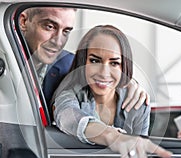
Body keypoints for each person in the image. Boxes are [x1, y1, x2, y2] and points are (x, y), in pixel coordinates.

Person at [53, 25, 172, 158]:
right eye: (95, 61)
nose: (104, 73)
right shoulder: (70, 94)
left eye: (114, 63)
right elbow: (68, 117)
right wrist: (113, 136)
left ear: (123, 67)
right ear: (83, 63)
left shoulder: (138, 105)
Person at [19, 7, 149, 112]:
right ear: (23, 22)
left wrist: (129, 84)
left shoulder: (68, 63)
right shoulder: (1, 65)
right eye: (49, 27)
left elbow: (100, 74)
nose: (58, 42)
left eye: (66, 31)